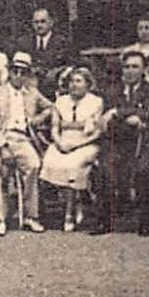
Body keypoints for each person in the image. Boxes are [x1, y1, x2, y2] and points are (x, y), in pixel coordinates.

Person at [92, 48, 149, 235]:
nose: (130, 71)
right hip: (116, 141)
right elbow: (105, 118)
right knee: (105, 169)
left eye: (135, 67)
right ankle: (104, 221)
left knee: (143, 170)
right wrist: (128, 115)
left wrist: (117, 112)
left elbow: (147, 112)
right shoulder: (112, 90)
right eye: (127, 67)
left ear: (144, 69)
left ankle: (145, 220)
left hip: (141, 141)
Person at [0, 65, 45, 235]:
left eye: (23, 72)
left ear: (28, 75)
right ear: (9, 72)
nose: (18, 76)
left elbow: (51, 107)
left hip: (20, 138)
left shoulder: (32, 93)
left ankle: (30, 216)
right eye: (15, 71)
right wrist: (2, 147)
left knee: (33, 164)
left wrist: (37, 119)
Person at [40, 66, 106, 231]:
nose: (73, 85)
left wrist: (77, 144)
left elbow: (97, 131)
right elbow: (55, 127)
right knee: (50, 161)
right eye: (71, 81)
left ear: (87, 84)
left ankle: (69, 212)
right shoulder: (61, 101)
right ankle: (74, 203)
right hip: (62, 141)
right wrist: (58, 142)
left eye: (78, 81)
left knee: (72, 166)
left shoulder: (96, 102)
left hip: (86, 143)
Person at [26, 7, 72, 95]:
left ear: (51, 22)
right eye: (36, 22)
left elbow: (69, 65)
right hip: (31, 90)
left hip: (54, 89)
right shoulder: (24, 42)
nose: (39, 25)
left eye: (43, 21)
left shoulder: (63, 42)